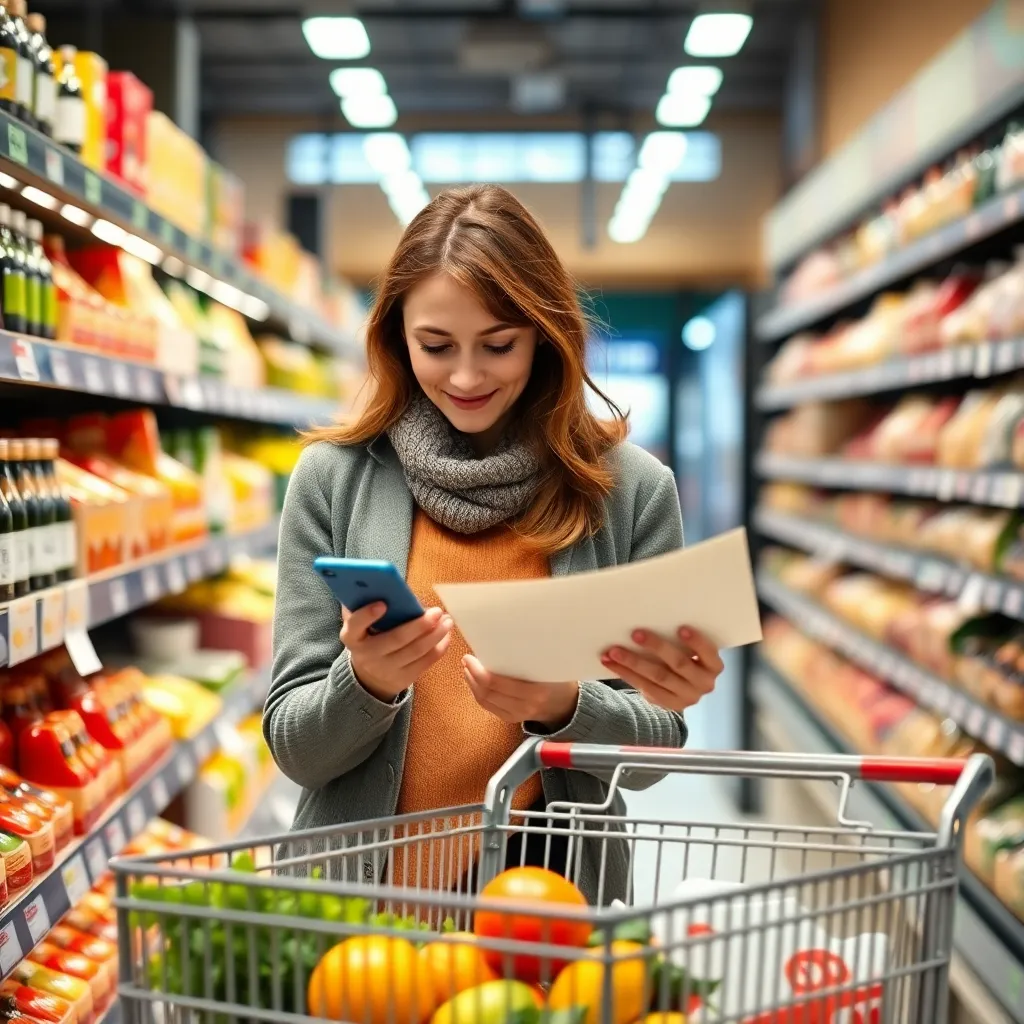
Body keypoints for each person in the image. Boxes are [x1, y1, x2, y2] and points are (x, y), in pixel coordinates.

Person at [264, 184, 724, 905]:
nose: (468, 376)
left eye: (499, 344)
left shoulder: (630, 490)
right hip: (358, 918)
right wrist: (369, 683)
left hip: (551, 906)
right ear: (396, 337)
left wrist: (566, 704)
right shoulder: (334, 479)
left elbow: (655, 748)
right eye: (436, 346)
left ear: (545, 333)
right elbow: (295, 749)